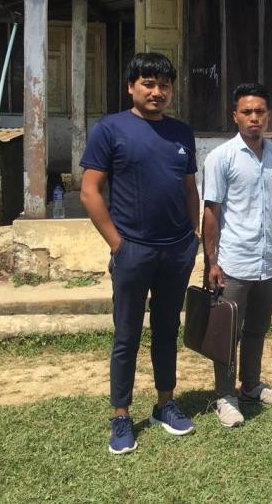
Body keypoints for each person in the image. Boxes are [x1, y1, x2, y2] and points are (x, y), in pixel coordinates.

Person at [80, 52, 200, 455]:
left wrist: (193, 235)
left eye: (164, 84)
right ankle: (120, 415)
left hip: (176, 251)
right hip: (134, 250)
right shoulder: (110, 129)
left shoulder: (182, 132)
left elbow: (188, 190)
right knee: (127, 334)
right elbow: (90, 191)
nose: (157, 91)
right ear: (131, 86)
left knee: (167, 329)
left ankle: (165, 403)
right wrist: (118, 244)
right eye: (148, 83)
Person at [201, 83, 272, 428]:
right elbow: (211, 212)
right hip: (234, 262)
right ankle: (225, 395)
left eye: (260, 112)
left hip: (268, 262)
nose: (254, 118)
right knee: (227, 332)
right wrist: (212, 261)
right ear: (234, 116)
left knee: (257, 329)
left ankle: (250, 384)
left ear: (268, 115)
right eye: (247, 112)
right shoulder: (221, 158)